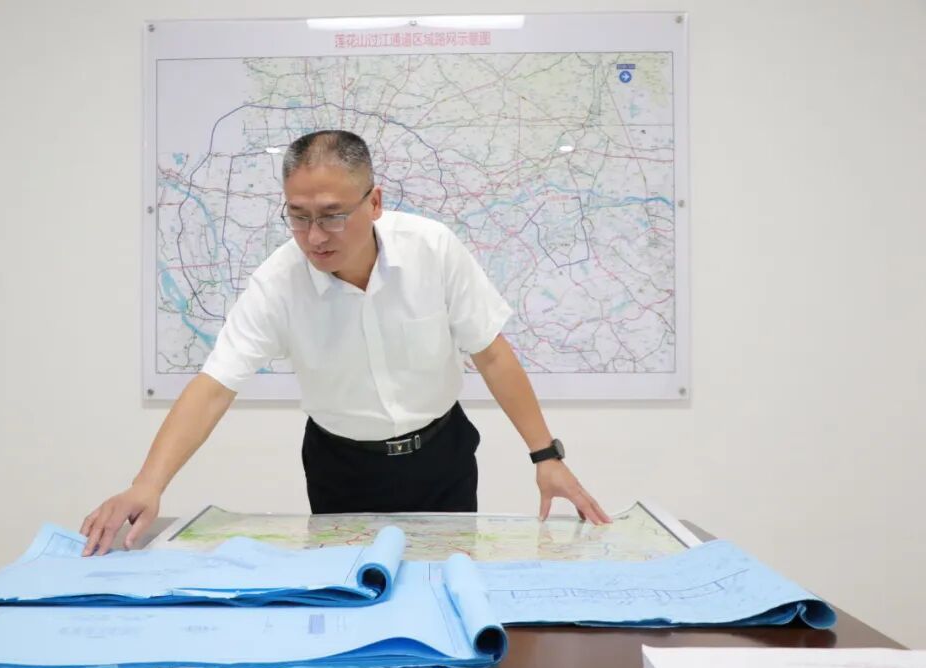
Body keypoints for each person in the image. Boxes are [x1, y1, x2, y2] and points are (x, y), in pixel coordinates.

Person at [81, 130, 611, 556]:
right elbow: (215, 384)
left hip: (441, 458)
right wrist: (148, 484)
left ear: (374, 201)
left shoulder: (432, 249)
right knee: (349, 600)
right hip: (341, 466)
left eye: (332, 215)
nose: (314, 236)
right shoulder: (278, 282)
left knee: (445, 591)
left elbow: (490, 353)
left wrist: (545, 456)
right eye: (298, 216)